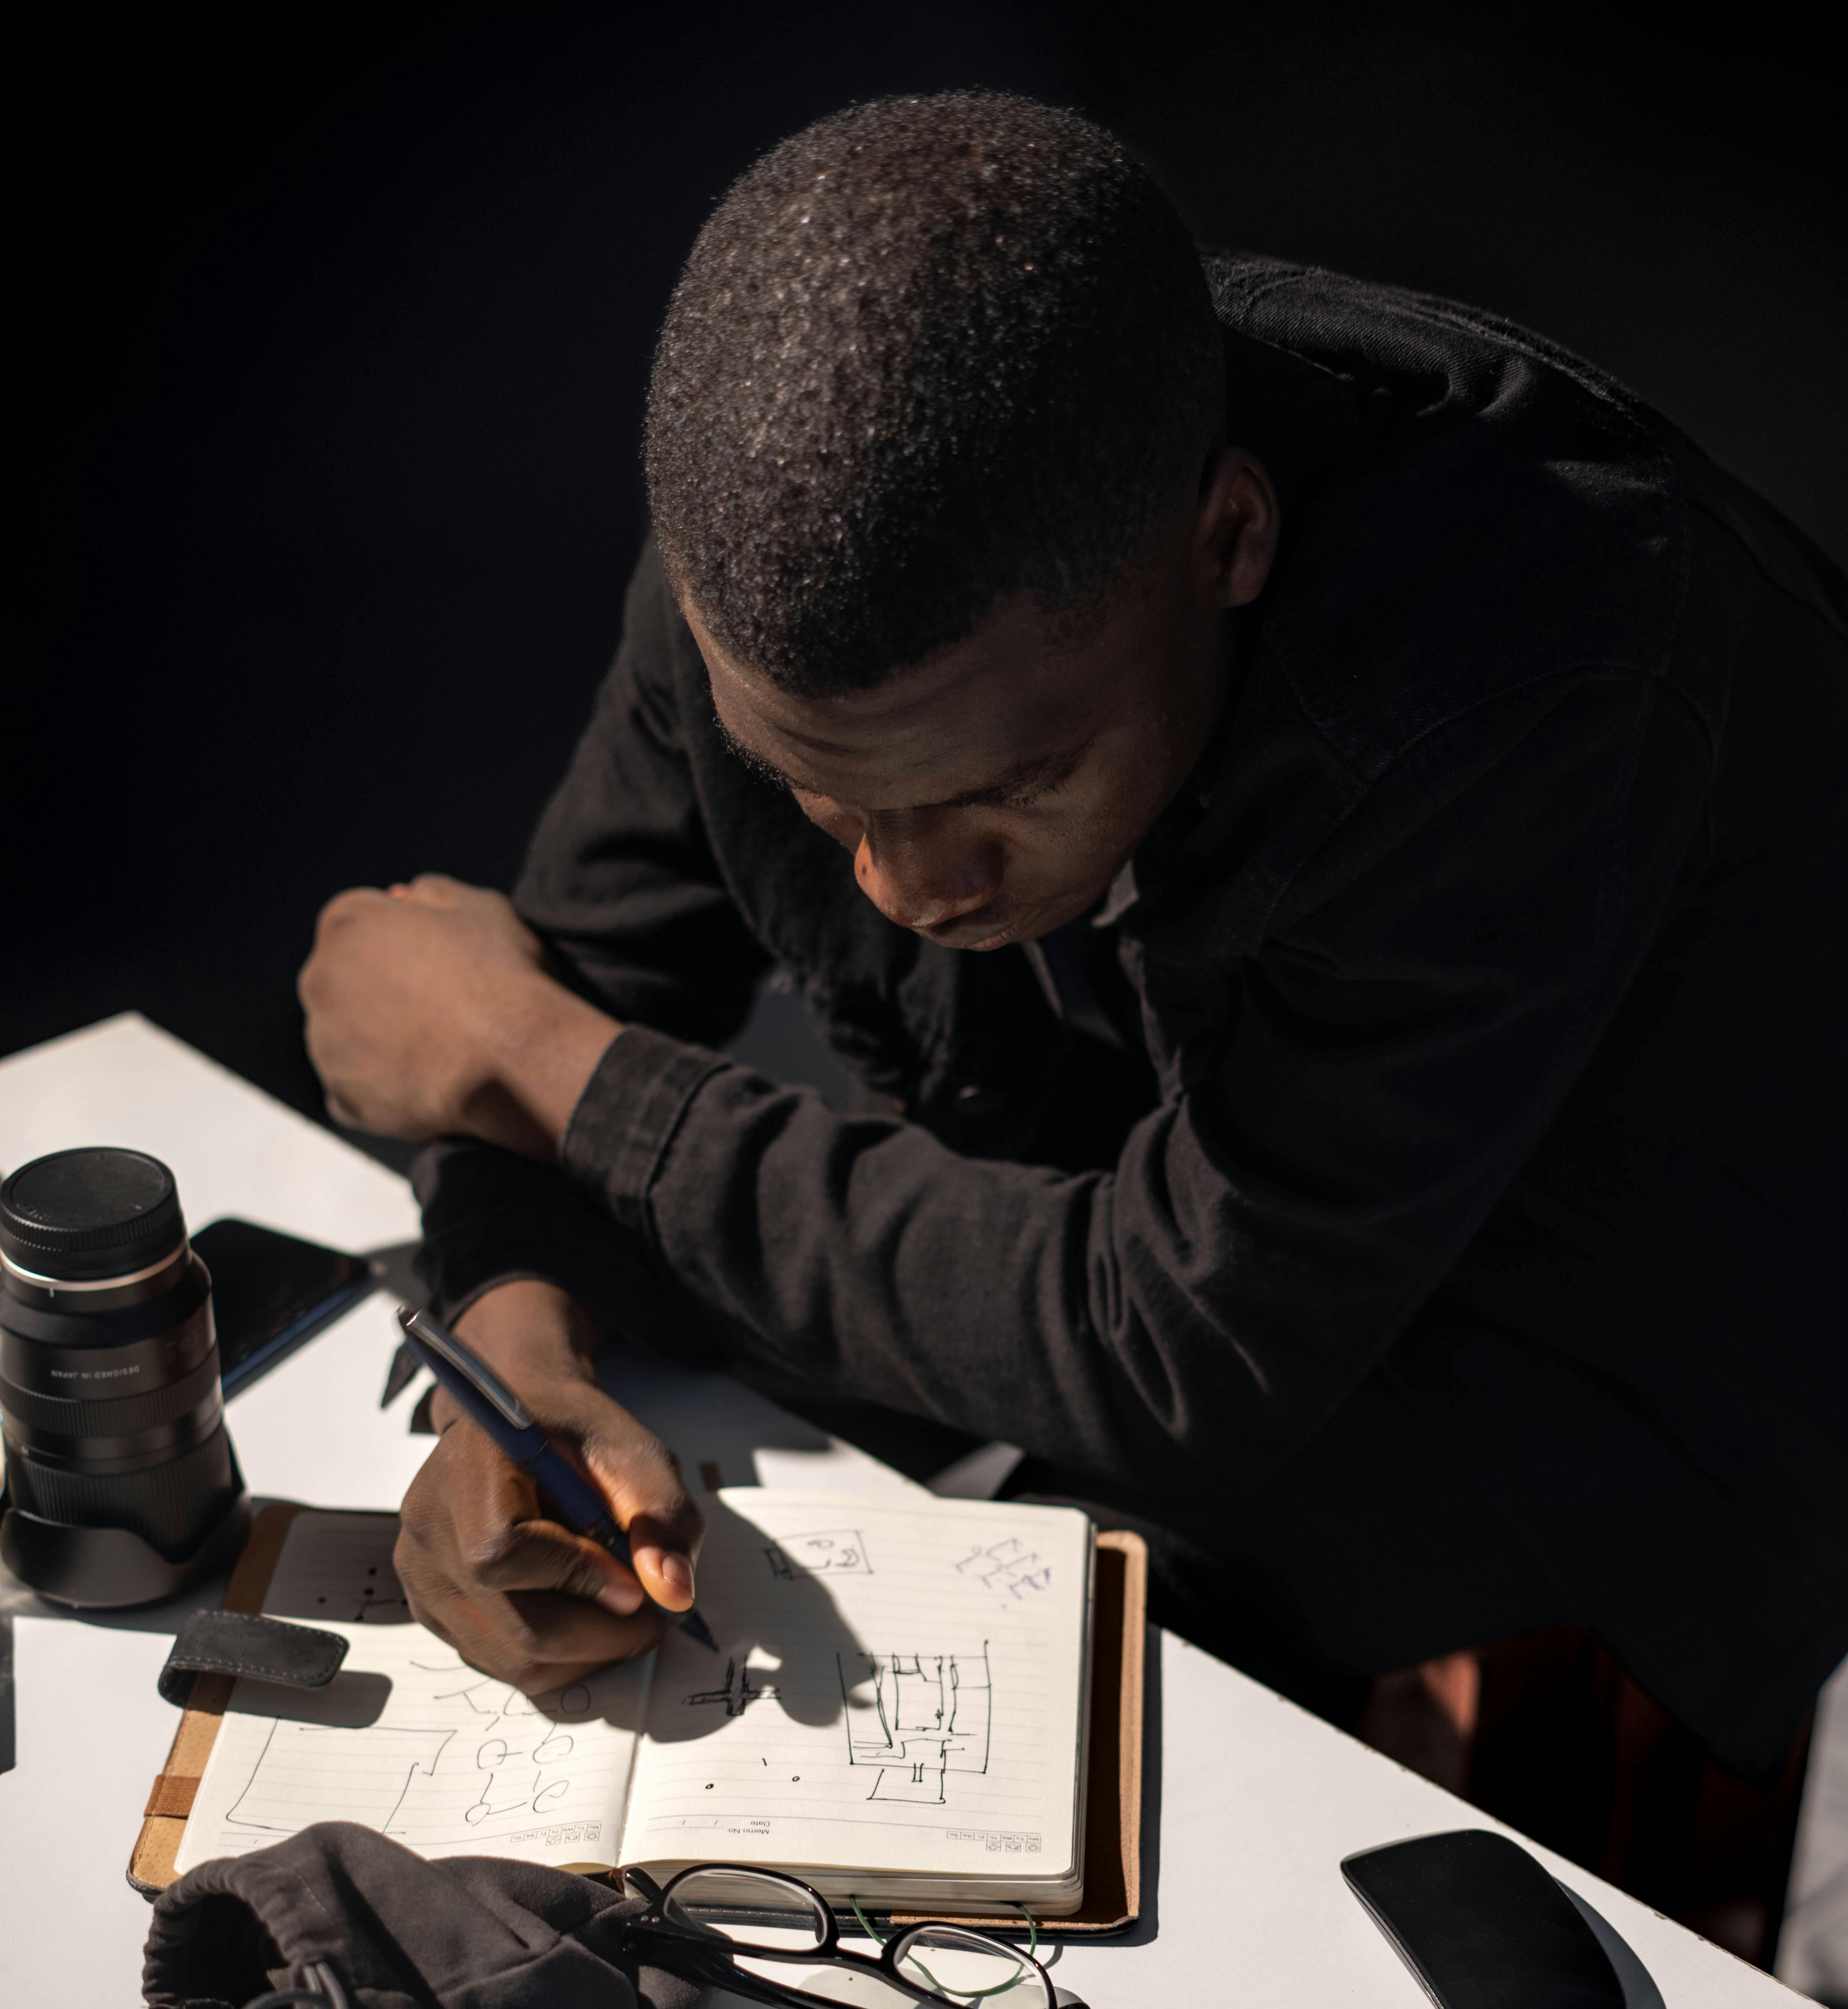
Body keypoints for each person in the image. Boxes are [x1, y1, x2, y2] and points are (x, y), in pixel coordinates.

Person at [298, 89, 1847, 1781]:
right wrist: (510, 1362)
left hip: (1619, 1465)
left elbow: (1175, 1342)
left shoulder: (1535, 683)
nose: (910, 886)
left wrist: (538, 1068)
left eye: (1015, 784)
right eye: (820, 795)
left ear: (1227, 541)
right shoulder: (798, 583)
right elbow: (579, 974)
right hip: (1174, 1384)